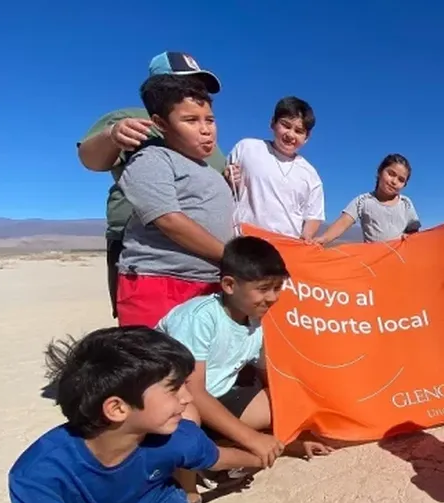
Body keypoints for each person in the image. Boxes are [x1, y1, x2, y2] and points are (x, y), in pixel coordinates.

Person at [7, 326, 262, 503]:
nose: (188, 397)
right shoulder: (39, 474)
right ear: (117, 408)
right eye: (173, 389)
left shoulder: (178, 437)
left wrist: (261, 456)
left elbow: (218, 457)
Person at [157, 236, 334, 503]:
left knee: (283, 399)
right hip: (173, 400)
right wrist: (252, 438)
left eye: (278, 287)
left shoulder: (257, 321)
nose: (273, 297)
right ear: (229, 285)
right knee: (188, 415)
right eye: (264, 289)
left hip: (217, 397)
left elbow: (269, 377)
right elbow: (191, 390)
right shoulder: (199, 317)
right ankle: (188, 491)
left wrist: (291, 437)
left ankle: (214, 453)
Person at [76, 52, 228, 320]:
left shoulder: (211, 146)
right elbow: (90, 160)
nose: (193, 88)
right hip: (152, 260)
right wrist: (112, 136)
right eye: (183, 80)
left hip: (207, 267)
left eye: (198, 82)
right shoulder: (134, 119)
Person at [115, 73, 235, 328]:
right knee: (158, 364)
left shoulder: (212, 172)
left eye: (210, 120)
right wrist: (233, 258)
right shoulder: (152, 159)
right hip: (159, 282)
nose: (205, 129)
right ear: (161, 123)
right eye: (191, 120)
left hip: (210, 284)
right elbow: (168, 219)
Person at [226, 96, 325, 240]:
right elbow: (226, 187)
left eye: (298, 131)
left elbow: (314, 216)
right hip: (243, 242)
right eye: (285, 125)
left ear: (307, 137)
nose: (290, 134)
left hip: (286, 248)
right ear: (273, 123)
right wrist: (228, 178)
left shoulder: (311, 174)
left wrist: (306, 238)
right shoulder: (247, 148)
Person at [314, 154, 420, 245]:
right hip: (373, 261)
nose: (394, 181)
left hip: (398, 261)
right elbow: (343, 223)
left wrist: (409, 237)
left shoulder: (406, 203)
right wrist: (323, 239)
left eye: (401, 180)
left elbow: (414, 231)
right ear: (380, 172)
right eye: (391, 174)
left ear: (404, 185)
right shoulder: (363, 201)